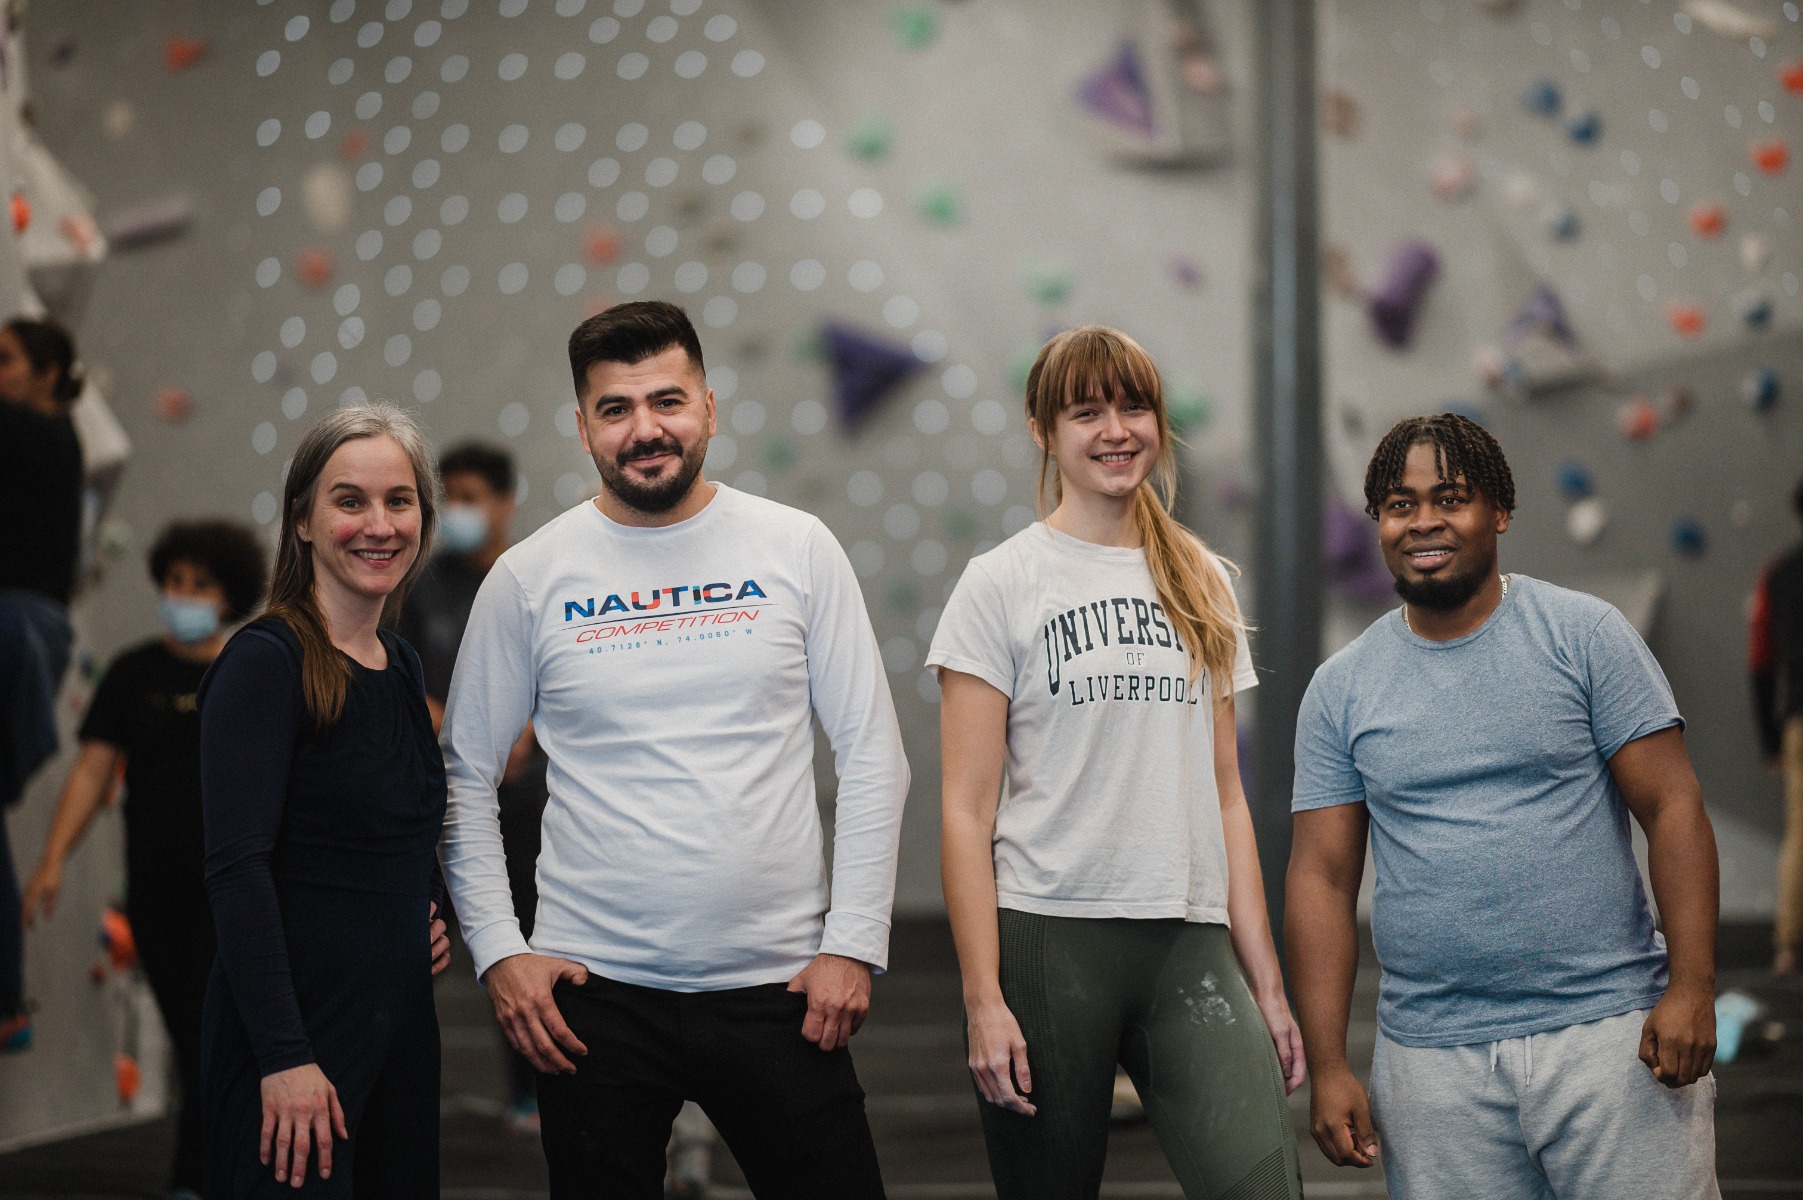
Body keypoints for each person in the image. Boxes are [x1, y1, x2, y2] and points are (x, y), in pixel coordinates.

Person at [438, 300, 907, 1199]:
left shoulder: (796, 548)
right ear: (582, 428)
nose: (644, 429)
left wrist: (852, 941)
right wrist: (500, 952)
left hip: (781, 989)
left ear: (710, 407)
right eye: (615, 409)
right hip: (591, 996)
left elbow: (873, 753)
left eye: (667, 400)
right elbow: (462, 777)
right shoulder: (530, 577)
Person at [1287, 413, 1721, 1199]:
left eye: (1447, 498)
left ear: (1499, 511)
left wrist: (1689, 988)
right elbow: (1320, 877)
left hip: (1609, 1040)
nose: (1421, 521)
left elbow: (1672, 807)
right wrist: (1326, 1066)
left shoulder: (1584, 635)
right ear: (1379, 522)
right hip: (1431, 1064)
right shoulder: (1341, 687)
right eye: (1398, 503)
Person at [928, 326, 1305, 1200]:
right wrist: (983, 999)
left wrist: (1268, 986)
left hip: (1188, 942)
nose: (1115, 430)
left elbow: (1225, 796)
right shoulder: (1001, 583)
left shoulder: (1200, 578)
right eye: (1085, 411)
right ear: (1042, 431)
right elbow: (962, 812)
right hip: (1045, 945)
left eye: (1133, 407)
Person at [198, 404, 452, 1196]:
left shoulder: (401, 665)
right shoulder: (264, 662)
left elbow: (405, 820)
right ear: (303, 520)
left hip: (400, 1031)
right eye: (350, 501)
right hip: (297, 1038)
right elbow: (237, 870)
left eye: (398, 501)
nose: (378, 525)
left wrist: (429, 909)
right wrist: (283, 1056)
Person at [22, 520, 268, 1200]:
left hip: (235, 889)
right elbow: (91, 772)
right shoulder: (132, 673)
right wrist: (51, 860)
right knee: (189, 1031)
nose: (182, 595)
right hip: (157, 891)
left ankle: (201, 1176)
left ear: (229, 595)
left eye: (200, 585)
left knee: (209, 1033)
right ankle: (210, 1170)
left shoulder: (249, 670)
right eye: (175, 582)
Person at [394, 443, 551, 1132]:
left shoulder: (536, 579)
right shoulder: (418, 587)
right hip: (433, 802)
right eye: (446, 496)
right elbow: (396, 675)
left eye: (468, 495)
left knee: (529, 948)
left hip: (527, 807)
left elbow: (564, 677)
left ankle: (534, 1090)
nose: (456, 510)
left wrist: (526, 732)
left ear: (505, 500)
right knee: (415, 952)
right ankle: (393, 1096)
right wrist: (467, 731)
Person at [0, 316, 87, 1051]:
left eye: (4, 361)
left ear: (48, 375)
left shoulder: (30, 430)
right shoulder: (55, 440)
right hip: (35, 633)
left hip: (14, 631)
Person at [1749, 476, 1803, 976]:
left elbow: (1761, 661)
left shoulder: (1779, 573)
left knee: (1799, 833)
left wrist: (1770, 739)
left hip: (1798, 719)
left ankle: (1788, 946)